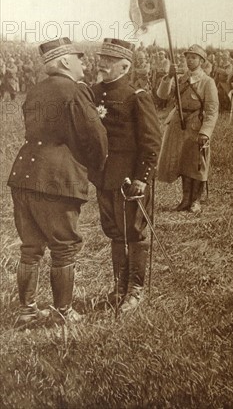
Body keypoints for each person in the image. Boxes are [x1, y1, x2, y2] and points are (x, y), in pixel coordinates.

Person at [7, 37, 108, 325]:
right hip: (57, 178)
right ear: (65, 61)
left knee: (31, 246)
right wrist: (95, 167)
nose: (84, 63)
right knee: (64, 247)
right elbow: (96, 137)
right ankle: (63, 311)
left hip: (24, 174)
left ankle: (27, 311)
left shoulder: (35, 90)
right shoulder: (74, 91)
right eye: (79, 58)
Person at [91, 38, 161, 311]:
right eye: (102, 59)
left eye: (109, 61)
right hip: (104, 177)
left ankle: (135, 290)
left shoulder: (137, 96)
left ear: (125, 66)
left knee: (135, 232)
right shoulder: (93, 92)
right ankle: (119, 287)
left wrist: (142, 177)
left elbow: (151, 142)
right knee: (114, 233)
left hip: (130, 179)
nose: (102, 64)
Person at [157, 44, 219, 213]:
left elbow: (212, 110)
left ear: (201, 61)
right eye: (188, 57)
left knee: (197, 163)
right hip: (178, 124)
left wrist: (205, 132)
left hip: (195, 124)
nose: (190, 60)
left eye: (194, 57)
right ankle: (185, 199)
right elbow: (162, 95)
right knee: (183, 162)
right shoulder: (181, 79)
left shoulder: (207, 82)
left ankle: (196, 200)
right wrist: (168, 77)